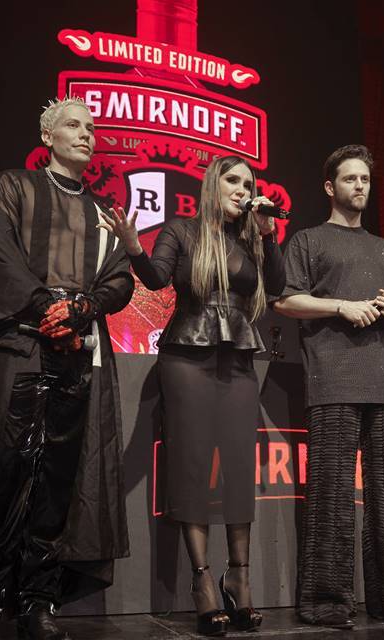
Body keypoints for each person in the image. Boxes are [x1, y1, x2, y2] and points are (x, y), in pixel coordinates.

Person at [0, 97, 135, 640]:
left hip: (77, 348)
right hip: (22, 344)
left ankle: (38, 599)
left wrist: (82, 309)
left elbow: (120, 279)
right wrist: (42, 309)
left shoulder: (104, 211)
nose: (86, 134)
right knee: (5, 470)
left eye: (90, 127)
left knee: (59, 475)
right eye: (73, 125)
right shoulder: (14, 186)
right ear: (48, 136)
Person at [99, 155, 286, 636]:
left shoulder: (250, 238)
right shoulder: (182, 231)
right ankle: (202, 582)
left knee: (240, 467)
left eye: (249, 183)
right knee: (193, 465)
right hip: (186, 358)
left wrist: (267, 233)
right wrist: (131, 247)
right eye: (234, 180)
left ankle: (239, 578)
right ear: (213, 184)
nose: (243, 190)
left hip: (240, 361)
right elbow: (157, 278)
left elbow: (280, 287)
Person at [273, 144, 384, 627]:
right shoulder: (307, 240)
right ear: (331, 187)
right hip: (333, 380)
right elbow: (286, 301)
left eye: (365, 179)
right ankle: (326, 602)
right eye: (350, 179)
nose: (359, 187)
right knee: (333, 494)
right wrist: (341, 306)